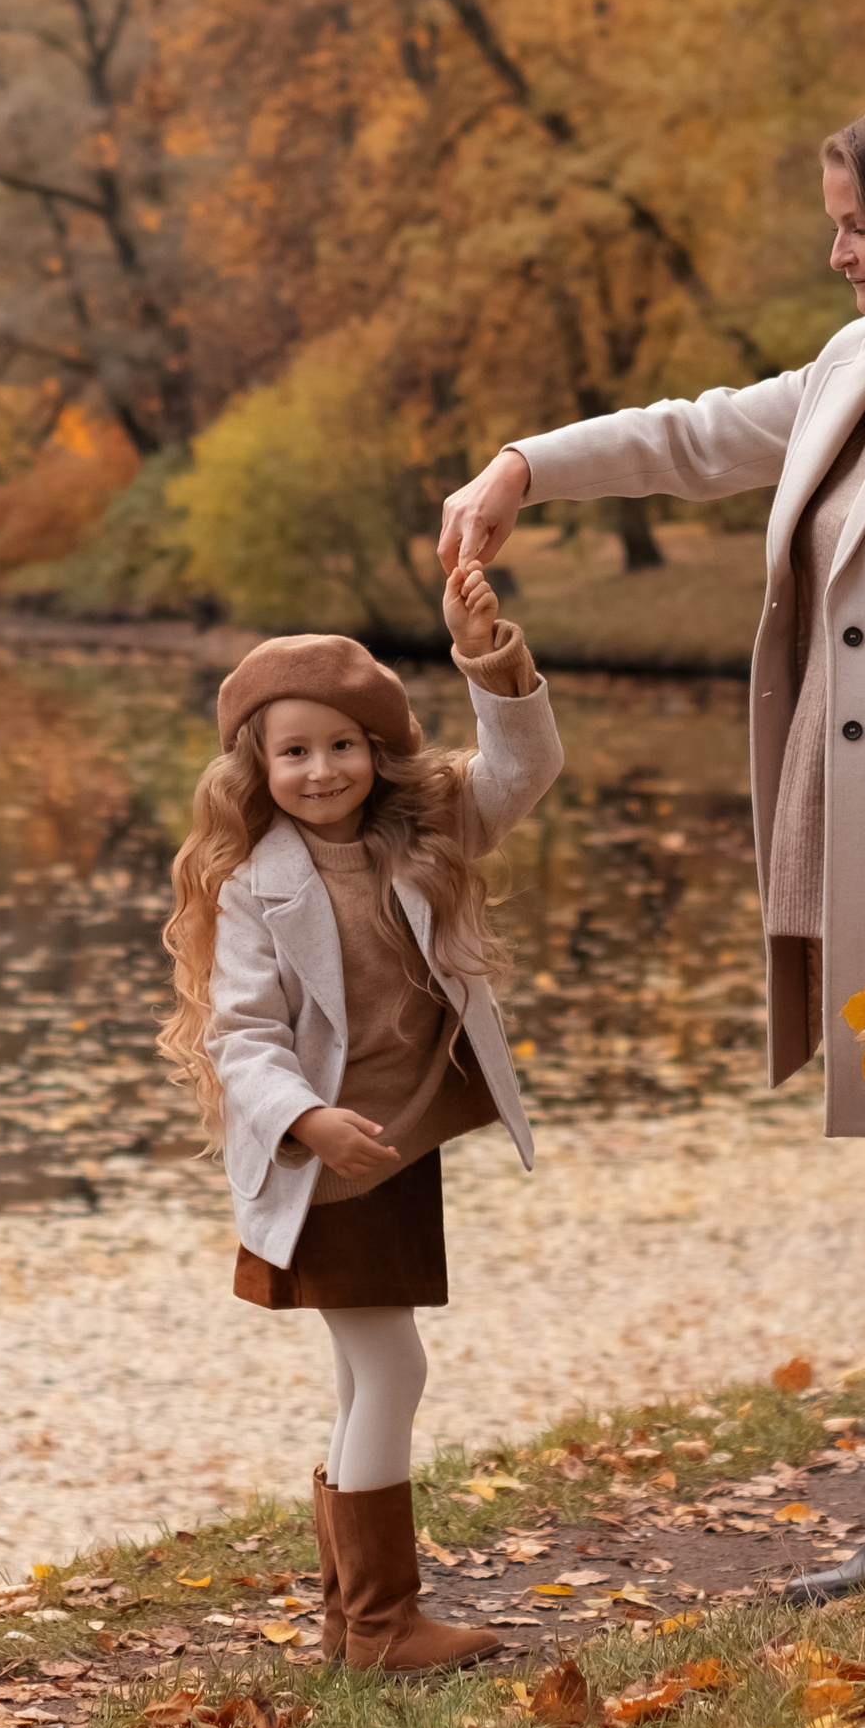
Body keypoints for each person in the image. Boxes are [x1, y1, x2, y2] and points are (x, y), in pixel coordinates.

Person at [438, 98, 865, 1601]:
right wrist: (520, 469)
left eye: (860, 224)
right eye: (837, 221)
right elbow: (690, 437)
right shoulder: (860, 365)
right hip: (849, 814)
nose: (839, 251)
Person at [160, 566, 562, 1671]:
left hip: (395, 1153)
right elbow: (240, 1037)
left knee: (363, 1375)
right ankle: (381, 1622)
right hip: (327, 1166)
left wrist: (489, 659)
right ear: (257, 766)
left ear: (376, 750)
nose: (320, 770)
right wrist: (306, 1120)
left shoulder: (423, 833)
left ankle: (354, 1618)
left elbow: (526, 766)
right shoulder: (256, 885)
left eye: (342, 745)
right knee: (393, 1373)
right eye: (293, 752)